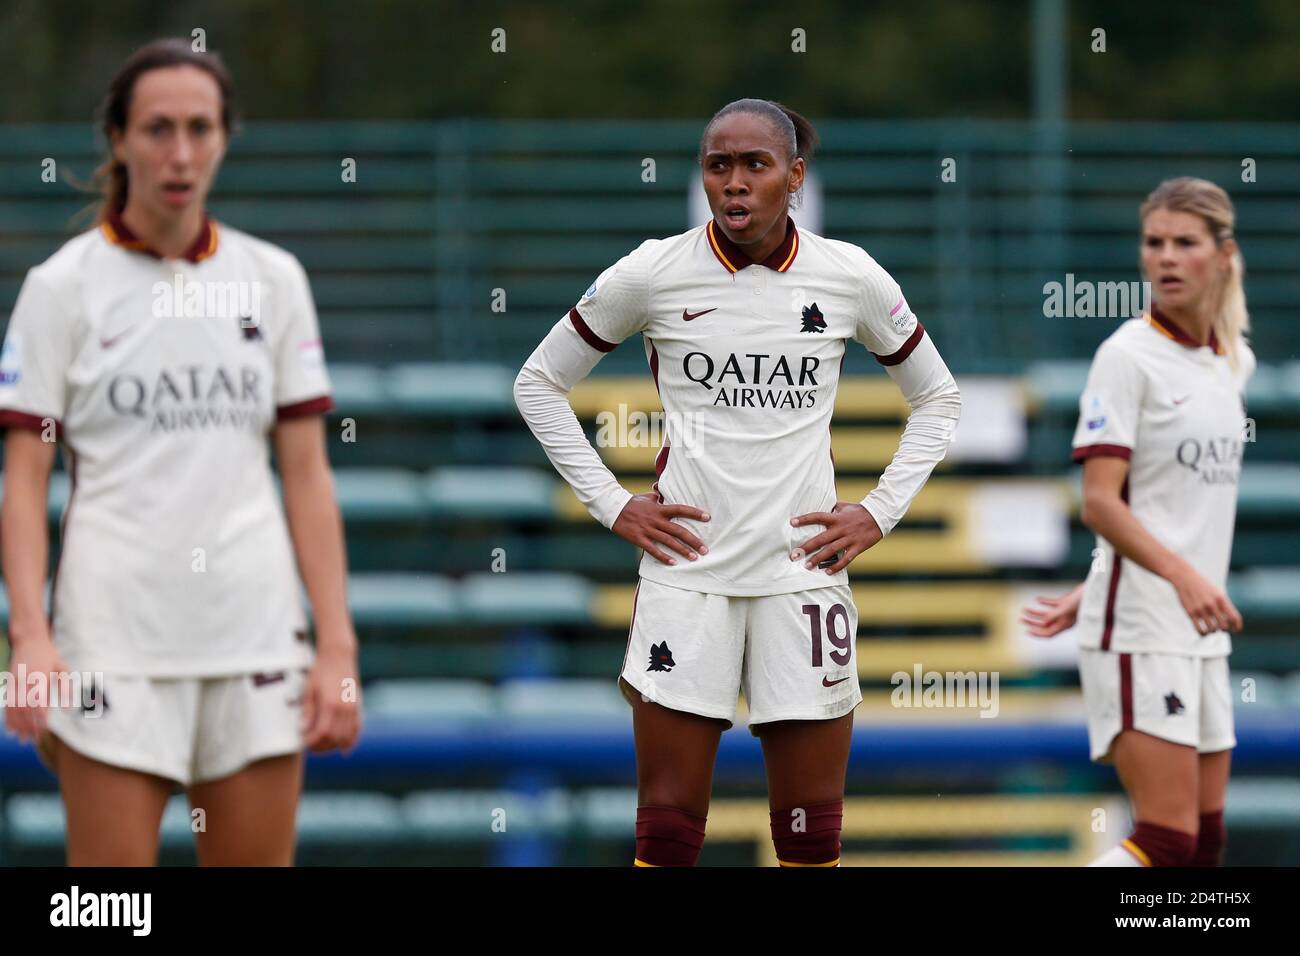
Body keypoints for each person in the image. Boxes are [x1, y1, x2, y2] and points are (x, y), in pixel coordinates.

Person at [515, 98, 962, 866]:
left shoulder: (849, 275)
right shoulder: (652, 272)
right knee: (667, 829)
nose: (734, 184)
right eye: (718, 165)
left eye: (755, 165)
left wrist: (878, 513)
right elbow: (538, 382)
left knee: (809, 836)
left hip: (803, 578)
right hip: (690, 578)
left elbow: (938, 397)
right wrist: (617, 506)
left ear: (794, 176)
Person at [0, 38, 361, 866]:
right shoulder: (62, 288)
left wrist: (335, 648)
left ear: (226, 138)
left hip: (259, 642)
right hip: (113, 645)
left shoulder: (273, 280)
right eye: (158, 128)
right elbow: (24, 482)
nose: (181, 152)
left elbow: (306, 476)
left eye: (201, 128)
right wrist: (29, 636)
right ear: (119, 139)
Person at [1021, 177, 1251, 867]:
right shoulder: (1126, 356)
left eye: (1186, 243)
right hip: (1144, 631)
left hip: (1197, 632)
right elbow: (1099, 501)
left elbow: (1170, 510)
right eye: (1155, 243)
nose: (1167, 258)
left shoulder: (1227, 363)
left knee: (1203, 846)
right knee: (1166, 840)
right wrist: (1176, 580)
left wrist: (1098, 583)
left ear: (1223, 254)